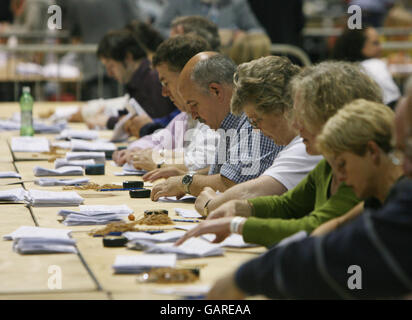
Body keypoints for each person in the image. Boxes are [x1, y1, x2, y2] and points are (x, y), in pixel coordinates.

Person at [207, 97, 412, 300]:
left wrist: (245, 275)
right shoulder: (381, 196)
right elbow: (327, 227)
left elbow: (339, 251)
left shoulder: (398, 196)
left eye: (405, 153)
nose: (296, 125)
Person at [175, 61, 382, 248]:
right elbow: (287, 205)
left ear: (334, 115)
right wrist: (241, 207)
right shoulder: (327, 165)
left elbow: (313, 227)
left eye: (303, 114)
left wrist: (237, 224)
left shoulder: (359, 166)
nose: (296, 124)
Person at [194, 56, 322, 216]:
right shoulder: (296, 143)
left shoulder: (305, 146)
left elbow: (253, 192)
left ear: (283, 108)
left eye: (256, 121)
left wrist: (210, 204)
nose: (257, 129)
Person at [150, 53, 282, 201]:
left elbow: (233, 183)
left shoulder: (254, 121)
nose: (193, 115)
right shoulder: (229, 123)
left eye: (194, 105)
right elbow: (227, 171)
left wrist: (185, 182)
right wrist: (188, 175)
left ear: (216, 91)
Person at [113, 35, 218, 174]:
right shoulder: (185, 116)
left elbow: (204, 163)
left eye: (165, 83)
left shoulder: (214, 115)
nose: (164, 92)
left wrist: (159, 161)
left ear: (187, 77)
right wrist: (135, 150)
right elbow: (158, 140)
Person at [94, 29, 178, 136]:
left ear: (128, 57)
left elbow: (156, 125)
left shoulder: (153, 80)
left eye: (111, 66)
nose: (109, 73)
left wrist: (110, 121)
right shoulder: (138, 80)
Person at [64, 0, 141, 100]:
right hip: (120, 62)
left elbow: (75, 35)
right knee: (123, 106)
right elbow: (138, 25)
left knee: (99, 109)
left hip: (92, 65)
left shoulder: (76, 2)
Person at [332, 26, 401, 108]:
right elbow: (393, 101)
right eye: (375, 43)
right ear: (358, 45)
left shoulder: (336, 73)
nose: (380, 48)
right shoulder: (375, 65)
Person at [155, 0, 265, 46]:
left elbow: (258, 32)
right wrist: (185, 36)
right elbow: (158, 29)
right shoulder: (179, 2)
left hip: (228, 61)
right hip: (188, 57)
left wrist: (237, 34)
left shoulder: (236, 3)